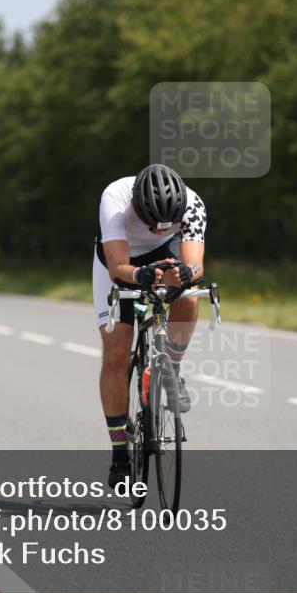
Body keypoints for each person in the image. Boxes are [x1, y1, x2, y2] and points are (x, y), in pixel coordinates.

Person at [93, 164, 207, 487]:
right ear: (137, 209)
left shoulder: (193, 204)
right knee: (116, 352)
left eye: (165, 225)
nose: (158, 230)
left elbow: (195, 263)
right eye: (151, 224)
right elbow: (117, 266)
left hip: (165, 255)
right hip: (119, 261)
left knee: (189, 295)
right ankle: (118, 454)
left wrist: (186, 274)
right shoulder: (115, 199)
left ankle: (171, 367)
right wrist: (140, 275)